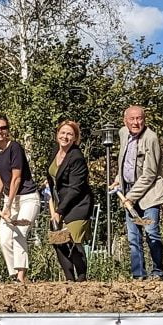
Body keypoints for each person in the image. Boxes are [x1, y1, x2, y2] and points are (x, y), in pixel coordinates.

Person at [111, 106, 163, 280]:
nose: (136, 122)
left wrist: (131, 196)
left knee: (151, 232)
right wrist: (118, 179)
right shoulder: (123, 133)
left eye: (139, 119)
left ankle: (158, 272)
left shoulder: (150, 138)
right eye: (132, 119)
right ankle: (138, 275)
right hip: (129, 191)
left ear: (144, 119)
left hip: (150, 193)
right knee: (133, 236)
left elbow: (150, 173)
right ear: (125, 120)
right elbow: (126, 161)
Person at [0, 115, 39, 283]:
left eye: (2, 128)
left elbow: (16, 178)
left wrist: (8, 206)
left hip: (27, 198)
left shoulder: (15, 148)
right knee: (4, 240)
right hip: (8, 200)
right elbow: (0, 177)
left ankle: (21, 277)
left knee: (19, 234)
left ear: (8, 130)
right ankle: (13, 277)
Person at [47, 120, 92, 282]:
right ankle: (69, 279)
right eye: (63, 133)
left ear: (75, 138)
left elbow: (75, 188)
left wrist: (60, 211)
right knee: (57, 240)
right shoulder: (55, 151)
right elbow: (53, 175)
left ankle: (81, 279)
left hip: (78, 205)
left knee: (73, 240)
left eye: (69, 134)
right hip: (60, 202)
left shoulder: (76, 157)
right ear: (57, 134)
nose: (65, 137)